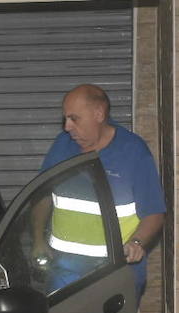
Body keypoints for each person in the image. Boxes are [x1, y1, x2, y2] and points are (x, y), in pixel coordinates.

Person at [32, 84, 165, 299]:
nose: (67, 126)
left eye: (75, 118)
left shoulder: (133, 152)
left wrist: (137, 243)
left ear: (99, 114)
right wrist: (38, 239)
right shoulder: (62, 146)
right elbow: (42, 194)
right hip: (65, 269)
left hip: (116, 271)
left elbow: (154, 213)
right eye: (65, 118)